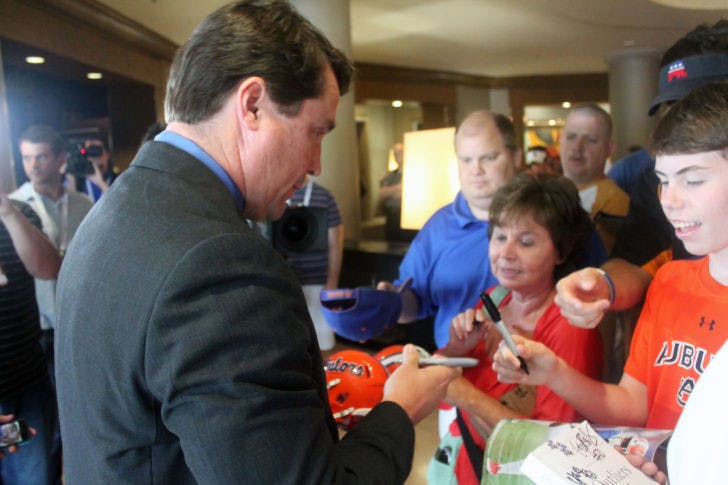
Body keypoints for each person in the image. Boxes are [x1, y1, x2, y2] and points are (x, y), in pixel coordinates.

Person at [55, 2, 458, 483]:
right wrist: (398, 410)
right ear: (252, 105)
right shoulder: (220, 265)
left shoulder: (116, 207)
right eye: (316, 132)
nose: (316, 164)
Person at [492, 82, 728, 433]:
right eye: (664, 181)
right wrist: (555, 372)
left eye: (692, 180)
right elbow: (634, 405)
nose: (670, 201)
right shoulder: (669, 281)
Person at [556, 20, 728, 331]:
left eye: (699, 107)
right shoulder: (659, 181)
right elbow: (637, 259)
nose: (683, 123)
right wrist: (603, 285)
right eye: (672, 109)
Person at [434, 173, 604, 484]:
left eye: (525, 242)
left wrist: (466, 395)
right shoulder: (494, 298)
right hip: (467, 465)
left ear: (561, 253)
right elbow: (439, 375)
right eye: (500, 237)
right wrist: (455, 349)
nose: (506, 253)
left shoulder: (569, 326)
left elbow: (553, 445)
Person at [377, 110, 521, 351]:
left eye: (488, 157)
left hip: (529, 370)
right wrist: (391, 301)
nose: (476, 170)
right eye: (465, 160)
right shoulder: (438, 227)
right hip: (457, 370)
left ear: (516, 156)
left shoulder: (547, 219)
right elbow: (412, 307)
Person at [0, 190, 61, 484]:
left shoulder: (19, 212)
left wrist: (8, 213)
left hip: (25, 386)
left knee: (33, 477)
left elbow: (48, 268)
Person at [560, 105, 629, 254]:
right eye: (571, 137)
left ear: (609, 148)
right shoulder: (546, 190)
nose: (577, 147)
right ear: (560, 140)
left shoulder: (615, 202)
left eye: (590, 140)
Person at [285, 176, 343, 350]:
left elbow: (335, 243)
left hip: (318, 282)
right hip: (284, 279)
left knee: (323, 344)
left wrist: (332, 284)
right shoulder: (275, 194)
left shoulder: (324, 197)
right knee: (289, 345)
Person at [73, 135, 117, 202]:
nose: (93, 154)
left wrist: (102, 184)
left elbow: (122, 206)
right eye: (89, 150)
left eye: (97, 149)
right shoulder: (79, 181)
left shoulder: (119, 180)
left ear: (108, 154)